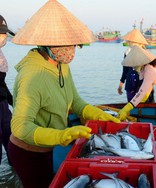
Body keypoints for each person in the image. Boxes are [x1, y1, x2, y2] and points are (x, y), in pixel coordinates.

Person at [7, 1, 120, 188]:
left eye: (74, 44)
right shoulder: (32, 76)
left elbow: (75, 100)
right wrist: (61, 135)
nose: (71, 50)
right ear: (48, 44)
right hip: (27, 152)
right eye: (66, 44)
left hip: (47, 149)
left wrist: (95, 113)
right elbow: (20, 126)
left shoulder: (61, 65)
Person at [118, 28, 154, 102]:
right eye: (132, 42)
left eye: (135, 42)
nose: (133, 44)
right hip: (130, 83)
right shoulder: (127, 52)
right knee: (131, 104)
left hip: (142, 82)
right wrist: (121, 84)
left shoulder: (145, 54)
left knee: (145, 103)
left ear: (140, 43)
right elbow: (125, 70)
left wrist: (151, 85)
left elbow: (150, 71)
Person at [0, 15, 14, 165]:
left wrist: (11, 100)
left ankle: (14, 176)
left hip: (2, 104)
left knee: (11, 140)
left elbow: (1, 82)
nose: (3, 37)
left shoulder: (0, 54)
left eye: (4, 34)